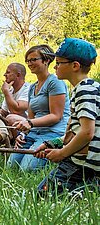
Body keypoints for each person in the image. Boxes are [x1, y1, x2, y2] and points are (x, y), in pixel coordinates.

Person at [33, 38, 99, 196]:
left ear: (75, 66)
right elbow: (77, 131)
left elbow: (87, 133)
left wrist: (62, 154)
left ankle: (89, 188)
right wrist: (52, 143)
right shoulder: (91, 87)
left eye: (59, 62)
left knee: (42, 195)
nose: (54, 66)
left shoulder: (84, 90)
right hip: (84, 162)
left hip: (81, 164)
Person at [7, 44, 70, 172]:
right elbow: (31, 116)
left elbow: (56, 116)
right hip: (35, 132)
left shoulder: (55, 82)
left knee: (26, 169)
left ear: (46, 60)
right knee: (11, 166)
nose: (30, 63)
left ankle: (55, 156)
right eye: (28, 60)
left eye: (34, 59)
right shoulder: (32, 88)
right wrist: (23, 134)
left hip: (53, 132)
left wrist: (29, 123)